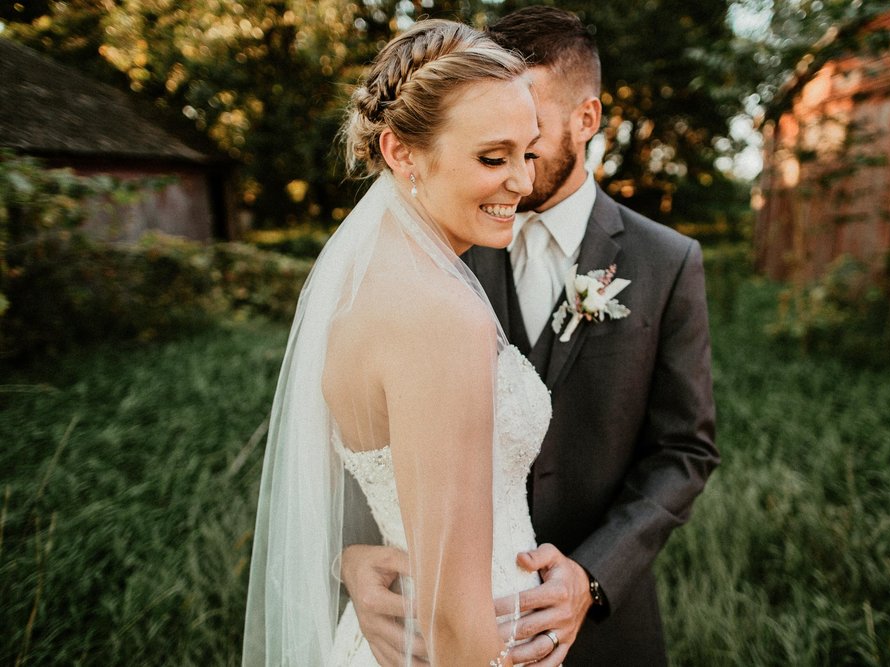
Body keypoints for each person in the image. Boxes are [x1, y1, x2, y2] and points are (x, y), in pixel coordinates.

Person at [341, 7, 720, 666]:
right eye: (493, 139)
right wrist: (347, 553)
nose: (514, 159)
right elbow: (366, 423)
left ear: (587, 119)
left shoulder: (667, 262)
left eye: (530, 127)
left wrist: (592, 575)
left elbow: (685, 448)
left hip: (607, 627)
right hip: (429, 622)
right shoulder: (440, 242)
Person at [241, 19, 552, 666]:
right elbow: (452, 617)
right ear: (401, 152)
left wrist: (349, 558)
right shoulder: (439, 314)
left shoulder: (372, 284)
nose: (522, 182)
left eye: (530, 152)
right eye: (493, 158)